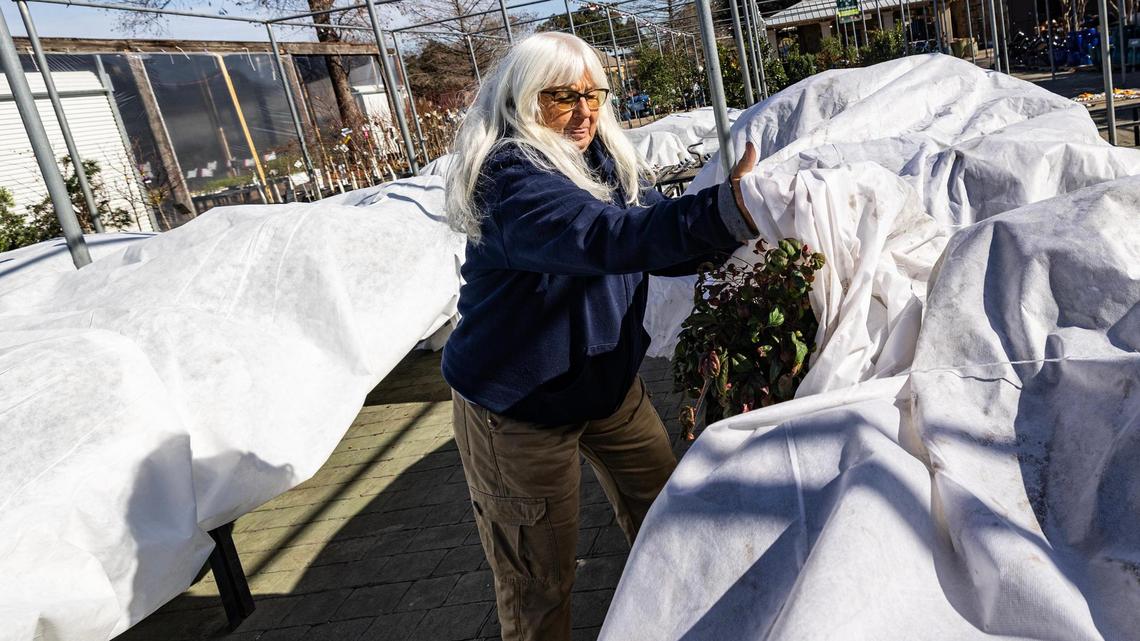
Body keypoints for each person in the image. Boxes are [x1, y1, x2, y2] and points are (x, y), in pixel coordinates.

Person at [441, 32, 758, 641]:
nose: (586, 112)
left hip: (608, 389)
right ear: (524, 100)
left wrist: (724, 241)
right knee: (540, 583)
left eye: (595, 95)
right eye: (564, 97)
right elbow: (605, 237)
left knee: (668, 517)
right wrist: (722, 211)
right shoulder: (509, 180)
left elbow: (639, 235)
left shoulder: (599, 159)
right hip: (519, 412)